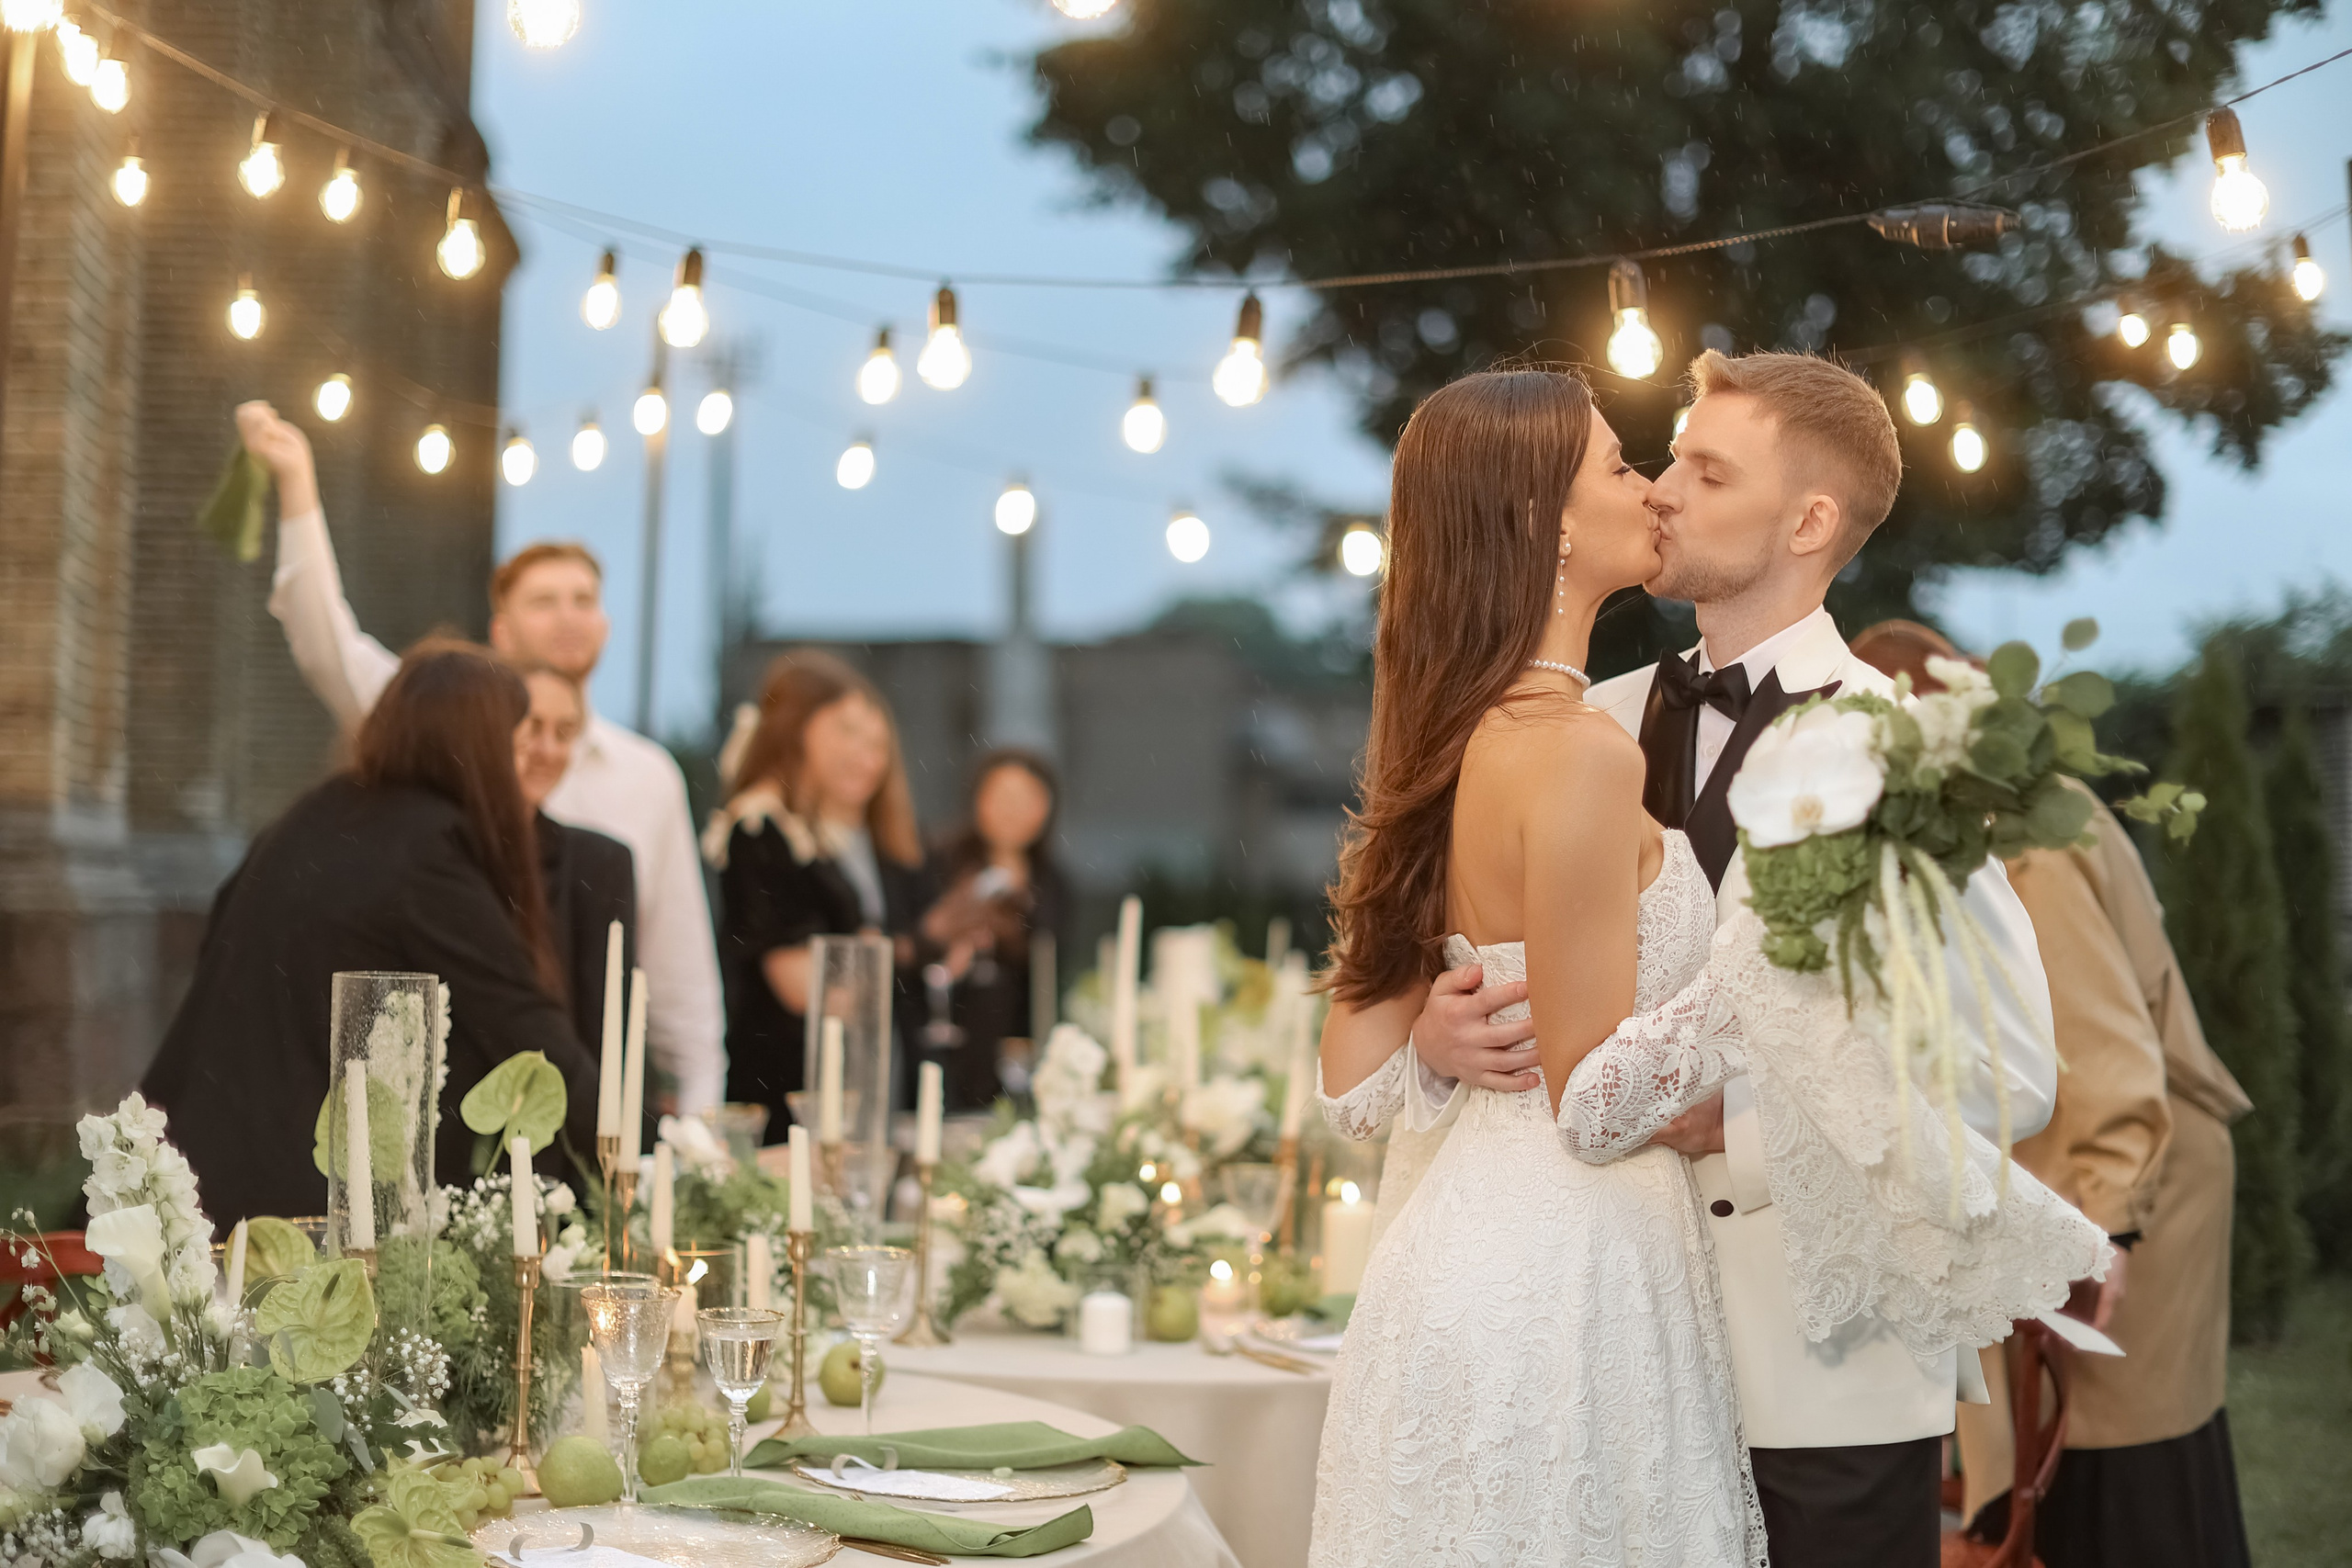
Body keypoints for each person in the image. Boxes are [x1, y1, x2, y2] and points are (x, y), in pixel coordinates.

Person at [1378, 351, 2071, 1568]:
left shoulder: (1908, 753)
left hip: (1825, 1367)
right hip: (1602, 1350)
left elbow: (2014, 1074)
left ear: (1809, 520)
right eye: (1664, 459)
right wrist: (1435, 1038)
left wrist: (1740, 1113)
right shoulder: (1579, 721)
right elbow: (1480, 980)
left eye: (1706, 469)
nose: (1663, 491)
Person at [1852, 620, 2256, 1568]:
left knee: (2117, 1485)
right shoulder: (1982, 819)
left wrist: (2108, 1224)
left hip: (2111, 1191)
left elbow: (2095, 1039)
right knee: (2068, 1484)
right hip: (2071, 1187)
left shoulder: (2017, 826)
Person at [235, 400, 726, 1117]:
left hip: (581, 1093)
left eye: (583, 598)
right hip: (445, 1085)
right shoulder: (436, 730)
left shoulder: (647, 774)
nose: (566, 615)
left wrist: (701, 1120)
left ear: (606, 623)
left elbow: (679, 963)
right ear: (502, 626)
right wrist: (298, 484)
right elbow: (325, 642)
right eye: (544, 599)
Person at [142, 641, 604, 1226]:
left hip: (196, 1164)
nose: (525, 768)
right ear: (479, 748)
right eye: (514, 745)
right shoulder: (429, 852)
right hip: (302, 1208)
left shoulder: (314, 814)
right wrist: (636, 1148)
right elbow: (528, 1034)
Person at [706, 649, 927, 1138]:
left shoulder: (808, 833)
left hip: (826, 1082)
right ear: (799, 726)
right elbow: (802, 985)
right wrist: (871, 955)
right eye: (844, 729)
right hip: (786, 1089)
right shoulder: (758, 828)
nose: (861, 754)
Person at [920, 750, 1070, 1111]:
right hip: (948, 1045)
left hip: (1019, 1050)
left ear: (1046, 808)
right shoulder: (939, 865)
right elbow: (920, 943)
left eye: (1027, 798)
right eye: (1002, 796)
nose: (1012, 810)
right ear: (977, 800)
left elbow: (1050, 974)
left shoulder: (1054, 886)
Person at [513, 659, 640, 1060]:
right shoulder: (443, 854)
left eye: (564, 733)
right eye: (532, 727)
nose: (547, 750)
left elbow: (605, 1027)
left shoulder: (598, 865)